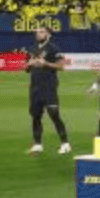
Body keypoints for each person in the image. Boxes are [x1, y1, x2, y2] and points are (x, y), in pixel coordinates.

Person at [25, 21, 71, 155]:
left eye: (41, 32)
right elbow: (26, 68)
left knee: (54, 114)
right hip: (35, 87)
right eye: (37, 32)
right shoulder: (33, 49)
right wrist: (30, 63)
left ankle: (65, 143)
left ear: (48, 34)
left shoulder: (53, 48)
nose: (38, 34)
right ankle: (38, 143)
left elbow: (62, 66)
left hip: (49, 86)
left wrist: (46, 63)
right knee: (35, 116)